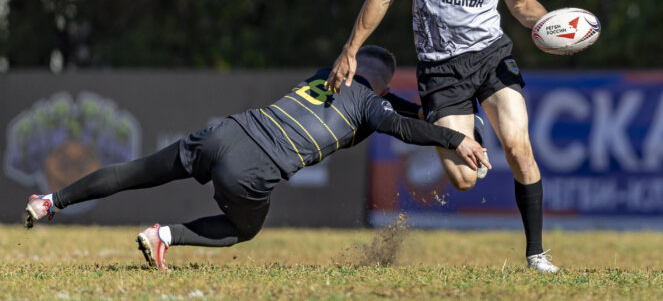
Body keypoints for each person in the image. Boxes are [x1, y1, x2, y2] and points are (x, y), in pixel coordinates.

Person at [23, 45, 489, 270]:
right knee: (243, 229)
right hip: (252, 167)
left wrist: (429, 109)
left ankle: (49, 201)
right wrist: (457, 140)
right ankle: (164, 235)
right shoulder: (372, 104)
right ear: (384, 84)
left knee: (138, 171)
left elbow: (398, 111)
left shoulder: (327, 75)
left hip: (224, 131)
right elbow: (401, 123)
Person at [326, 0, 559, 273]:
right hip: (440, 68)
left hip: (491, 56)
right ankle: (466, 123)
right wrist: (351, 49)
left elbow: (521, 3)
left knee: (520, 148)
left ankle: (536, 254)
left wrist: (551, 26)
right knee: (464, 179)